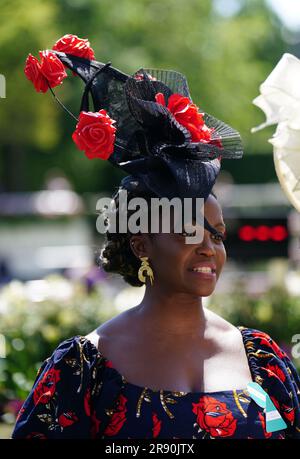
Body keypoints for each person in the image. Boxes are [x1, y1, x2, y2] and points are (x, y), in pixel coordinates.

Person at [12, 34, 300, 439]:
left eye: (217, 235)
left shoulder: (264, 361)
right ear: (140, 242)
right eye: (188, 229)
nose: (209, 247)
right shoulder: (84, 372)